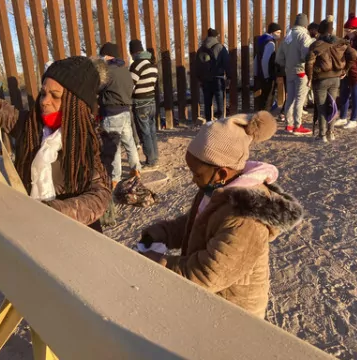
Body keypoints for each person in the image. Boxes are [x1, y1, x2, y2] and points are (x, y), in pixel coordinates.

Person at [0, 32, 111, 233]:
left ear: (77, 104)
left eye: (55, 96)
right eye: (43, 93)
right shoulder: (29, 126)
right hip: (34, 231)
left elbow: (99, 197)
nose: (44, 101)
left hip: (79, 238)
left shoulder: (92, 140)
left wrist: (51, 211)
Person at [138, 112, 303, 318]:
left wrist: (160, 262)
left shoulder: (246, 219)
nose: (193, 180)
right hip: (211, 302)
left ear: (222, 173)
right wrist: (163, 233)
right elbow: (195, 223)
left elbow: (208, 273)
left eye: (197, 174)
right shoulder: (215, 190)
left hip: (234, 312)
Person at [306, 17, 357, 142]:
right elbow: (354, 54)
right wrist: (345, 70)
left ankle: (322, 135)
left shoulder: (315, 44)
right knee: (332, 105)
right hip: (336, 78)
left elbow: (309, 62)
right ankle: (331, 133)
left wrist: (309, 78)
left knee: (322, 107)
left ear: (320, 30)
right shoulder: (341, 42)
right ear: (332, 30)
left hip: (320, 79)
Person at [98, 42, 142, 189]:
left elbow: (99, 89)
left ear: (107, 55)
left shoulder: (107, 72)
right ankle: (136, 169)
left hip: (111, 113)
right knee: (129, 142)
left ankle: (115, 178)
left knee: (114, 147)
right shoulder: (125, 71)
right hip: (125, 111)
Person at [276, 13, 313, 135]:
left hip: (289, 71)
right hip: (301, 72)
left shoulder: (287, 37)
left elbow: (279, 58)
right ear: (305, 24)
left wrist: (288, 64)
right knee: (300, 100)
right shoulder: (304, 36)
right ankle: (298, 126)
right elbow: (305, 55)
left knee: (290, 99)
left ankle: (289, 125)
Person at [129, 39, 160, 169]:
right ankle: (155, 156)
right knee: (152, 130)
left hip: (140, 103)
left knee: (144, 132)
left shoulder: (136, 65)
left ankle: (150, 160)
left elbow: (130, 85)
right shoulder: (152, 65)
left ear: (133, 52)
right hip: (152, 101)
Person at [195, 28, 230, 122]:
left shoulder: (201, 49)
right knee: (220, 102)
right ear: (216, 36)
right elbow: (226, 62)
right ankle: (220, 121)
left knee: (207, 102)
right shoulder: (220, 47)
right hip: (218, 78)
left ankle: (208, 122)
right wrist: (229, 77)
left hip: (205, 79)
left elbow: (197, 65)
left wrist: (199, 78)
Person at [254, 22, 282, 111]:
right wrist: (267, 75)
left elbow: (256, 58)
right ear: (272, 32)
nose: (279, 35)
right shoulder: (270, 43)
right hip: (268, 74)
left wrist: (256, 72)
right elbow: (265, 60)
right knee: (269, 97)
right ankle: (266, 116)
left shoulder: (261, 41)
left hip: (260, 73)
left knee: (263, 97)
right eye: (278, 32)